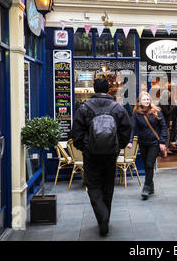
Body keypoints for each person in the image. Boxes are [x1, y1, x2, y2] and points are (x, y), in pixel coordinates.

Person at [70, 77, 132, 236]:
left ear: (94, 89)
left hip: (91, 155)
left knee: (93, 186)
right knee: (108, 186)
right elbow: (126, 130)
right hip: (111, 154)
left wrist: (85, 147)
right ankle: (105, 219)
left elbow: (76, 132)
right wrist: (118, 147)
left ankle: (102, 217)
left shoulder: (84, 108)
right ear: (107, 89)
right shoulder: (117, 108)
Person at [128, 91, 167, 199]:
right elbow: (132, 128)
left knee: (150, 164)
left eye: (148, 99)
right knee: (146, 166)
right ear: (139, 101)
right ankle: (151, 185)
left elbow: (163, 127)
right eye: (144, 99)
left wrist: (162, 142)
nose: (146, 101)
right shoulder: (136, 113)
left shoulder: (156, 111)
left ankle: (146, 187)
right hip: (143, 143)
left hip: (154, 143)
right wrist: (130, 141)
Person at [158, 89, 177, 157]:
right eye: (169, 95)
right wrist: (174, 108)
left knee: (167, 135)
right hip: (163, 122)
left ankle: (165, 149)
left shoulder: (165, 102)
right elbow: (167, 113)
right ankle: (164, 150)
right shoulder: (163, 102)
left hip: (165, 122)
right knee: (166, 135)